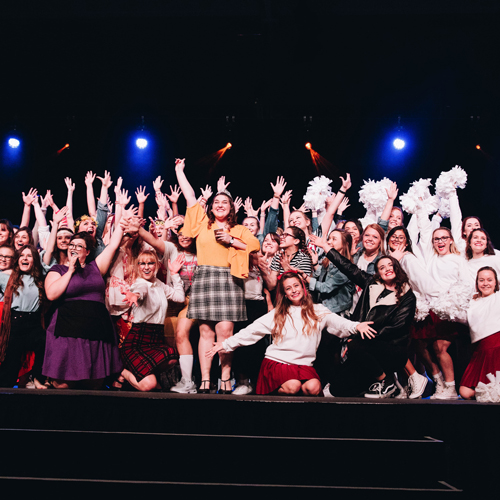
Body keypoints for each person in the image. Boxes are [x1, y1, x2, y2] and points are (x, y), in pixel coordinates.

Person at [206, 271, 376, 395]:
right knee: (293, 386)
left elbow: (338, 322)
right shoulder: (278, 313)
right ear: (285, 294)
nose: (294, 290)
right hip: (278, 363)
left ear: (303, 287)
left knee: (314, 388)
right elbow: (252, 330)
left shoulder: (318, 311)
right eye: (289, 288)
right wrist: (226, 344)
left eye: (296, 286)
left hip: (304, 365)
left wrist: (356, 326)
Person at [175, 158, 260, 394]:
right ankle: (204, 379)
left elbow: (254, 245)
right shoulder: (202, 223)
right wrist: (179, 171)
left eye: (225, 202)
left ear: (232, 208)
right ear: (211, 207)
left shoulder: (240, 229)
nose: (220, 204)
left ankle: (224, 378)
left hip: (230, 280)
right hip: (205, 278)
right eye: (216, 202)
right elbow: (191, 198)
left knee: (225, 332)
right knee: (205, 332)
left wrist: (231, 240)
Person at [312, 233, 417, 398]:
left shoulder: (407, 295)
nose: (387, 269)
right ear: (378, 273)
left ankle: (387, 381)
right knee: (337, 389)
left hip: (391, 349)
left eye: (390, 265)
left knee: (355, 347)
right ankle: (378, 381)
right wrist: (326, 247)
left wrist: (362, 335)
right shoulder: (371, 284)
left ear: (397, 268)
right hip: (363, 349)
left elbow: (398, 328)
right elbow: (348, 267)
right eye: (382, 267)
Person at [42, 221, 127, 389]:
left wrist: (123, 224)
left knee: (94, 381)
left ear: (87, 252)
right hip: (68, 328)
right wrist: (70, 271)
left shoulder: (95, 267)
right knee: (63, 383)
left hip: (96, 327)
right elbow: (51, 294)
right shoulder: (57, 270)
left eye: (79, 246)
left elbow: (113, 245)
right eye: (71, 244)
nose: (73, 247)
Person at [120, 250, 185, 391]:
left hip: (155, 339)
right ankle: (122, 371)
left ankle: (144, 373)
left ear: (156, 265)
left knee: (172, 356)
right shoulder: (140, 284)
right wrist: (134, 295)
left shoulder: (158, 284)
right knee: (150, 385)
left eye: (150, 263)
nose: (146, 267)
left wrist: (174, 274)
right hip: (137, 342)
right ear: (138, 267)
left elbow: (179, 298)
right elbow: (139, 291)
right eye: (142, 263)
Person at [0, 245, 47, 389]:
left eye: (29, 256)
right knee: (12, 361)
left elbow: (50, 260)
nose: (25, 258)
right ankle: (5, 390)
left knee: (44, 345)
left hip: (34, 321)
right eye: (22, 255)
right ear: (17, 260)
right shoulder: (7, 278)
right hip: (16, 322)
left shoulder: (40, 278)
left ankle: (38, 379)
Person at [459, 267, 500, 399]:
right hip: (480, 350)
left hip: (497, 348)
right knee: (465, 392)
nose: (485, 283)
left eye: (489, 280)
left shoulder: (498, 297)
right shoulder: (472, 302)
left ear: (496, 282)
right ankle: (489, 394)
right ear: (476, 283)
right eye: (481, 280)